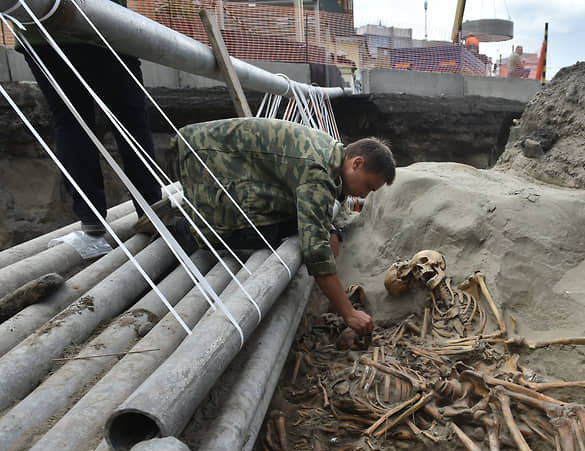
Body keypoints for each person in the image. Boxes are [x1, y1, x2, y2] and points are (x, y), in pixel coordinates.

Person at [173, 117, 396, 336]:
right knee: (237, 234)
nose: (364, 195)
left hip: (223, 155)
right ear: (357, 163)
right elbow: (315, 249)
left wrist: (329, 228)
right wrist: (348, 312)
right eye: (367, 186)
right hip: (203, 156)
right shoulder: (319, 171)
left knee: (282, 224)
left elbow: (321, 205)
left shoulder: (330, 154)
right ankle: (178, 231)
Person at [18, 0, 162, 235]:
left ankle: (91, 219)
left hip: (38, 27)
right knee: (129, 120)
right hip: (104, 25)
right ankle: (152, 210)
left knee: (71, 121)